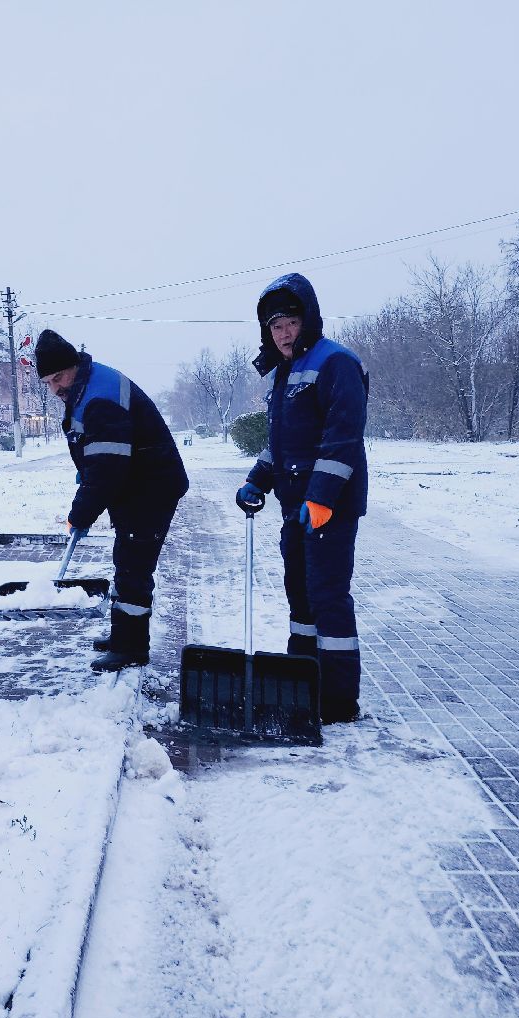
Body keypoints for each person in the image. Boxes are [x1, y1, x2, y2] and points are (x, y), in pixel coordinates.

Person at [236, 273, 368, 723]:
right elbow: (282, 441)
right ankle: (303, 680)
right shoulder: (287, 372)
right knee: (300, 597)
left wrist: (323, 498)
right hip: (296, 508)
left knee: (328, 598)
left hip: (329, 508)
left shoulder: (337, 364)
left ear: (308, 318)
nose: (284, 332)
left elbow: (342, 438)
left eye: (290, 321)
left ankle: (336, 700)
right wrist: (258, 478)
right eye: (275, 326)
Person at [36, 329, 189, 672]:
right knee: (127, 559)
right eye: (47, 382)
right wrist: (89, 472)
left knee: (134, 566)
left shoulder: (100, 396)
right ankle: (124, 636)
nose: (55, 387)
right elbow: (101, 455)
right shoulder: (87, 386)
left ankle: (131, 647)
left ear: (73, 366)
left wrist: (80, 514)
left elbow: (108, 468)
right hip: (137, 483)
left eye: (58, 377)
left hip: (149, 487)